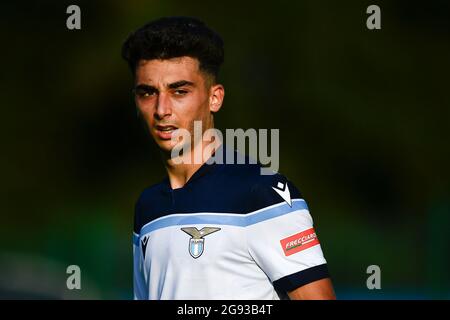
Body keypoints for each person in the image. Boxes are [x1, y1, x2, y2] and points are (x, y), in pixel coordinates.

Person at [122, 16, 335, 300]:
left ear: (215, 98)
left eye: (179, 91)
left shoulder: (261, 193)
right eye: (148, 93)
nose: (162, 109)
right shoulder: (148, 207)